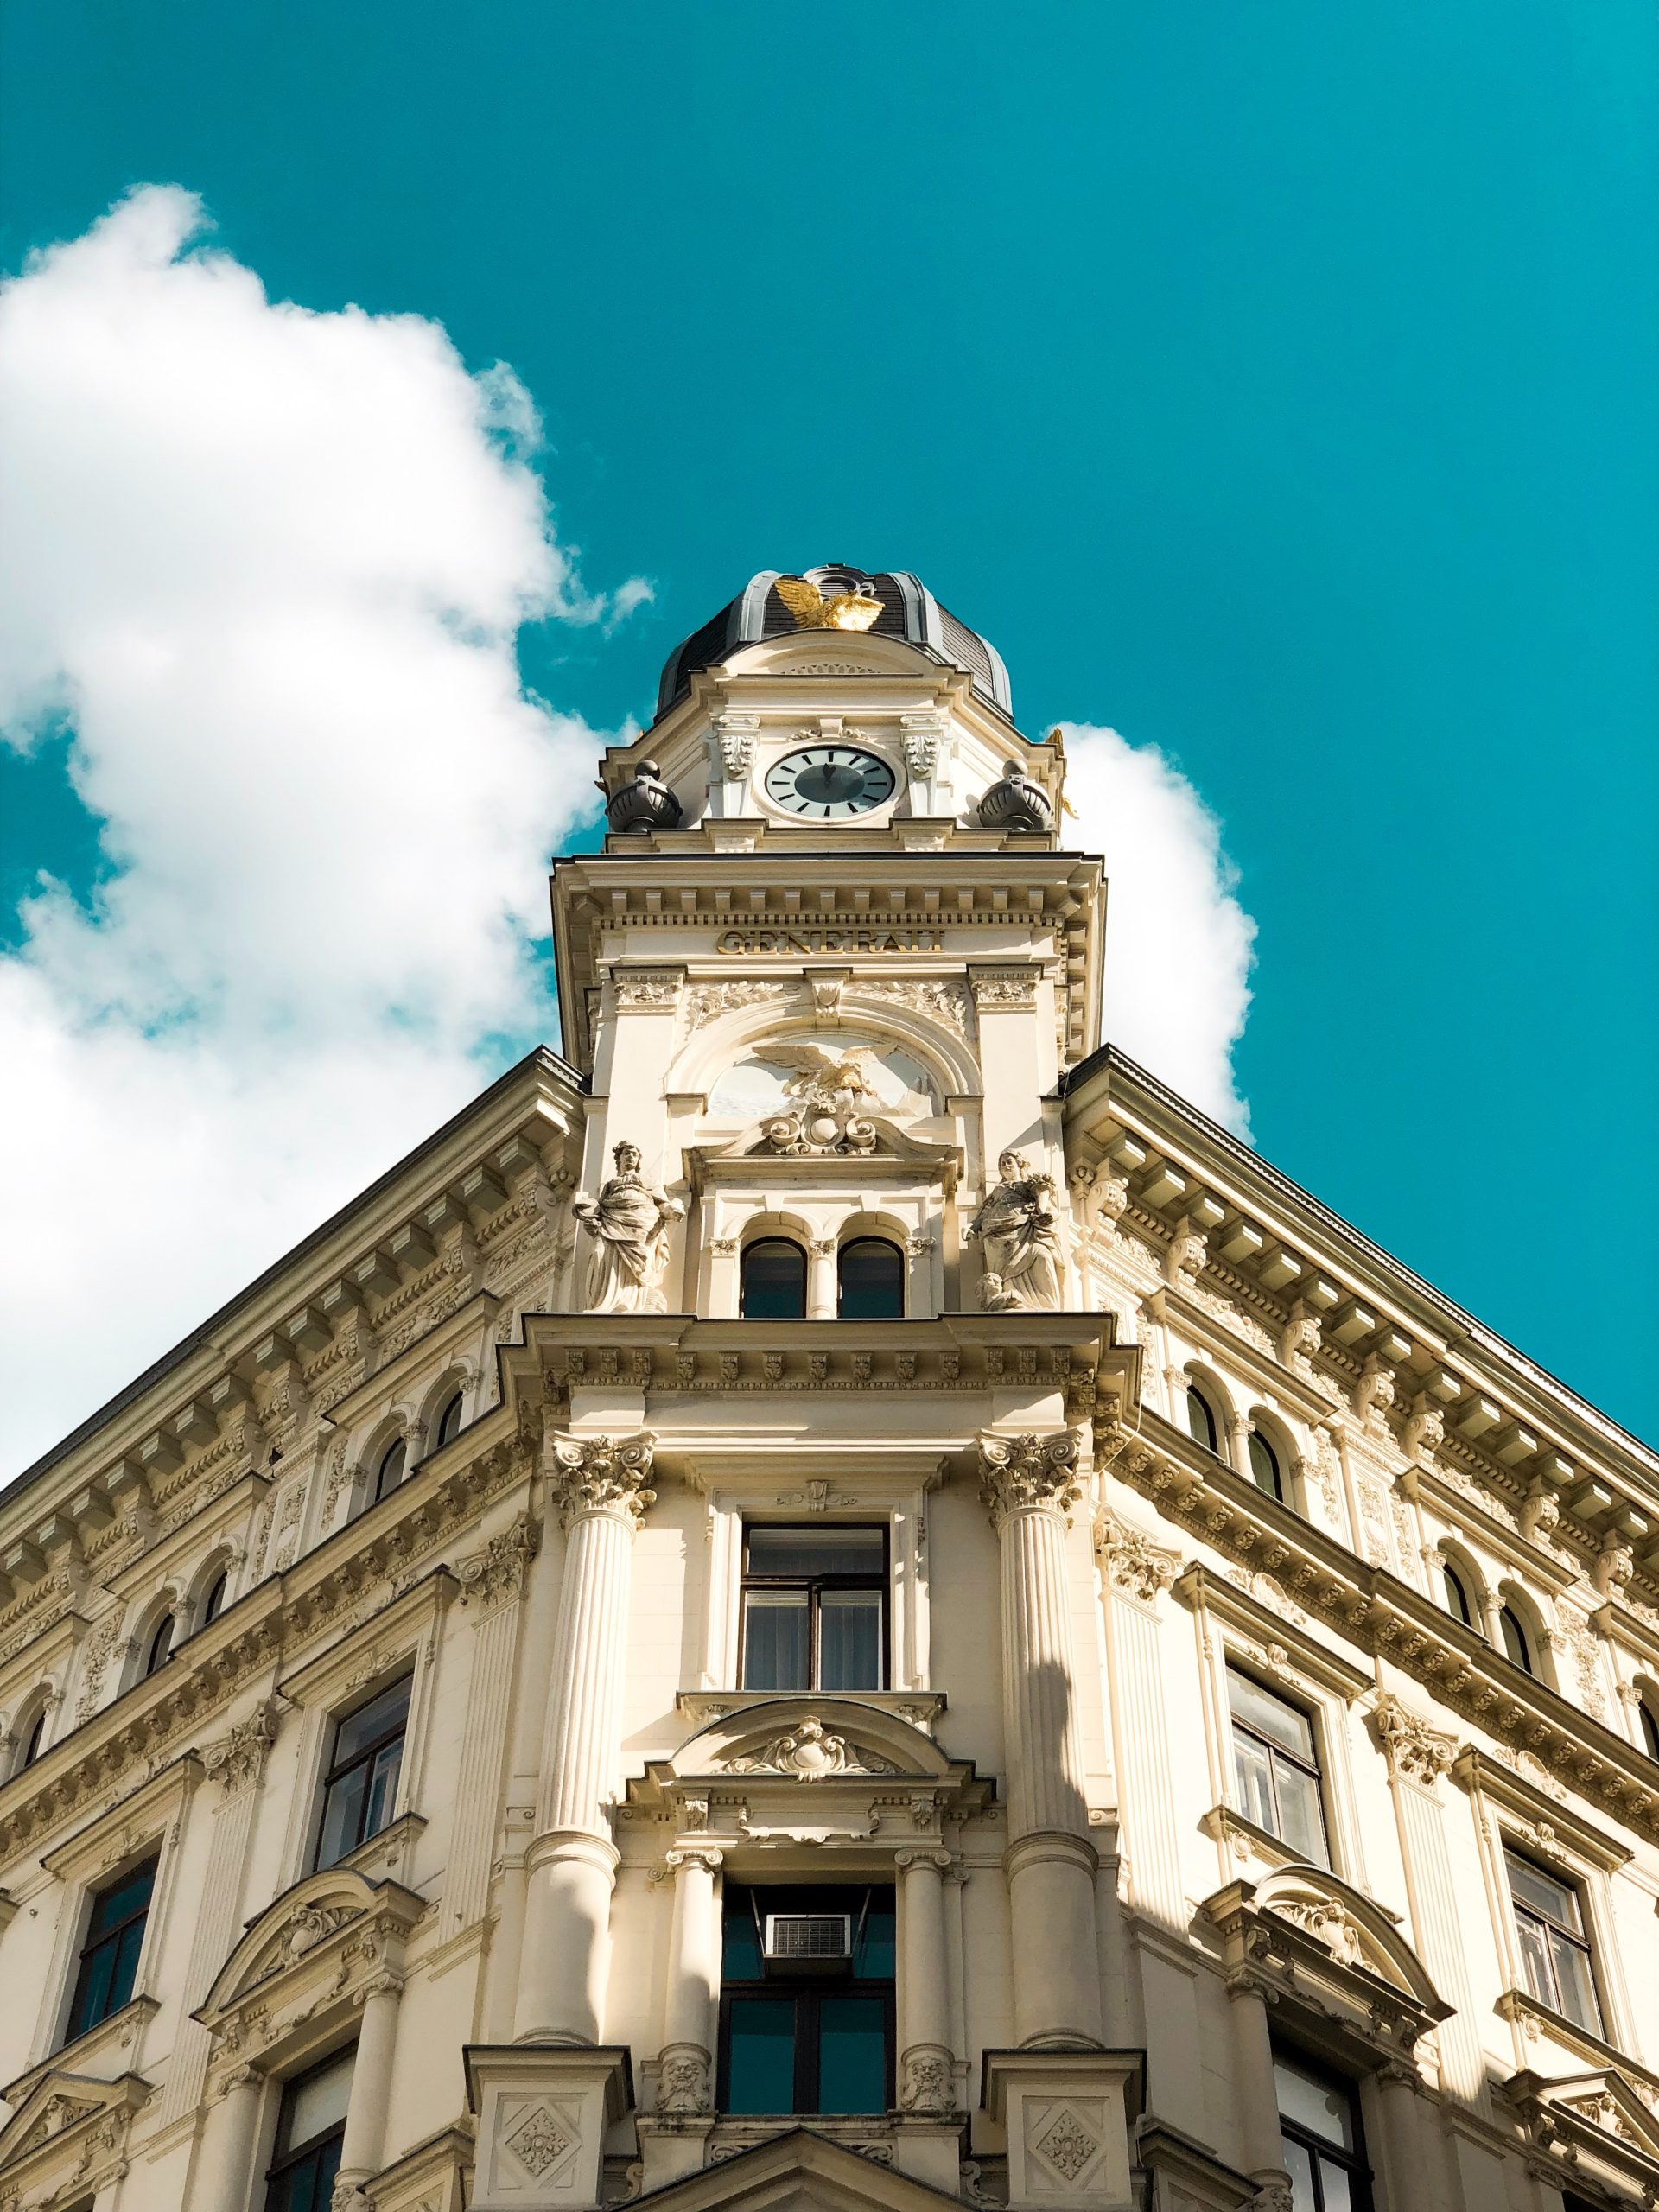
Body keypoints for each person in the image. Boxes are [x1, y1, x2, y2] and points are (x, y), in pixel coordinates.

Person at [571, 1141, 684, 1313]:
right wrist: (589, 1217)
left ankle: (632, 1303)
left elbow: (663, 1205)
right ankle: (604, 1302)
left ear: (639, 1159)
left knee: (640, 1262)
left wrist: (672, 1211)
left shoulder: (648, 1180)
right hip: (611, 1222)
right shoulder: (611, 1184)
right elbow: (600, 1208)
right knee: (598, 1254)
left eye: (634, 1154)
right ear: (620, 1159)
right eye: (626, 1153)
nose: (630, 1157)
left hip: (641, 1222)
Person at [964, 1148, 1066, 1309]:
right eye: (1002, 1163)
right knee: (1006, 1271)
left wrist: (1051, 1216)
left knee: (1043, 1256)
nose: (1005, 1165)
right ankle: (1011, 1300)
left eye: (1009, 1162)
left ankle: (1047, 1305)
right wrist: (972, 1225)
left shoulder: (1029, 1186)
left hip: (1025, 1230)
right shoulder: (998, 1190)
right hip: (997, 1233)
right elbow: (986, 1211)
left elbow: (1049, 1207)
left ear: (1020, 1165)